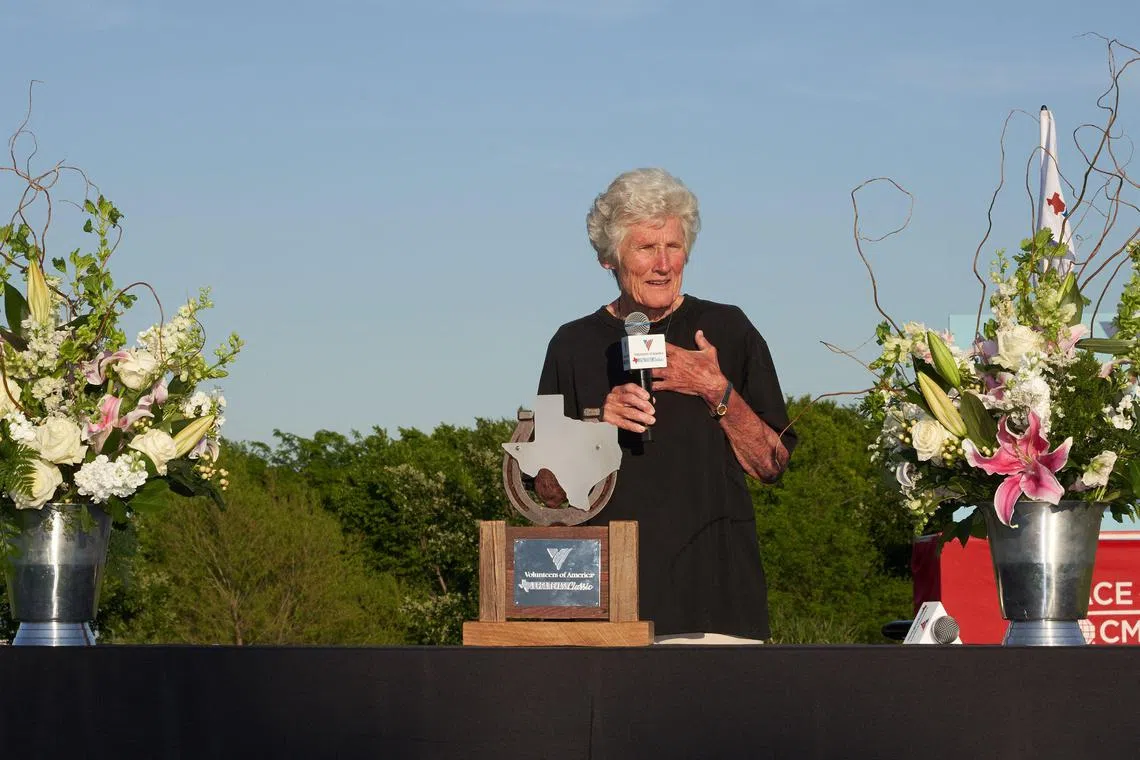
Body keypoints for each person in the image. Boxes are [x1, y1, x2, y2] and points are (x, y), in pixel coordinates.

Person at [535, 167, 797, 643]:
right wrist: (596, 428)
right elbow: (547, 494)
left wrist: (715, 390)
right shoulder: (571, 345)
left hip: (716, 609)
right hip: (605, 605)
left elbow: (773, 464)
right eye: (645, 248)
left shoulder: (728, 328)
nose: (663, 263)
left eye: (673, 246)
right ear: (609, 259)